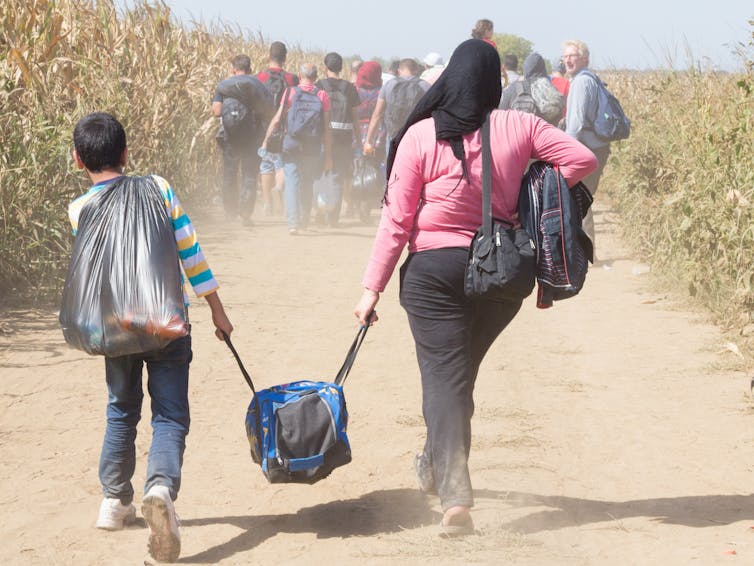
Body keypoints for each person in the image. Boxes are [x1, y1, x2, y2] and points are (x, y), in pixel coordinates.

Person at [352, 39, 596, 536]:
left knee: (445, 378)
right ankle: (434, 463)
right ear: (494, 83)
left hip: (432, 273)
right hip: (501, 270)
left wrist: (370, 289)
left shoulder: (421, 134)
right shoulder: (520, 126)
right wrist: (533, 187)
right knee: (459, 375)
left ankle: (454, 498)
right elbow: (582, 160)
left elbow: (397, 220)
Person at [68, 112, 234, 562]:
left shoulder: (80, 209)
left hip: (114, 327)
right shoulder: (158, 188)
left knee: (121, 409)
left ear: (78, 160)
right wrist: (217, 311)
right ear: (126, 153)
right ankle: (160, 486)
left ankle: (113, 500)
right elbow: (190, 251)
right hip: (165, 323)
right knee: (171, 415)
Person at [262, 63, 333, 234]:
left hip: (291, 143)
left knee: (292, 180)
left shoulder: (290, 92)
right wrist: (329, 155)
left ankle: (293, 223)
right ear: (316, 78)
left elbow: (278, 119)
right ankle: (305, 219)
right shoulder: (322, 95)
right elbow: (326, 128)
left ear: (300, 77)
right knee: (308, 181)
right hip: (312, 145)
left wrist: (265, 141)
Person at [211, 55, 273, 225]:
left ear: (234, 69)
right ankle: (245, 214)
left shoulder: (224, 86)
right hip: (251, 137)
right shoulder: (257, 85)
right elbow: (268, 110)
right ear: (250, 69)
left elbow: (216, 111)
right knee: (249, 174)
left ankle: (230, 212)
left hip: (230, 136)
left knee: (229, 174)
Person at [562, 39, 610, 256]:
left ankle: (585, 251)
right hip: (597, 146)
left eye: (573, 55)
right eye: (565, 56)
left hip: (586, 148)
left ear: (585, 59)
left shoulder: (581, 82)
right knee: (583, 197)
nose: (568, 60)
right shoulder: (590, 79)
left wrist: (563, 152)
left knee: (580, 197)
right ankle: (585, 249)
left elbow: (576, 124)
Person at [316, 52, 361, 226]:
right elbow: (355, 117)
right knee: (338, 176)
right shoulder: (350, 88)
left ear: (325, 68)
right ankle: (333, 217)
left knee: (320, 175)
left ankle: (319, 213)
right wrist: (359, 140)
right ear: (341, 68)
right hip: (344, 137)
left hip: (322, 137)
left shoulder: (319, 85)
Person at [256, 42, 300, 216]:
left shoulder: (259, 77)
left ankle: (267, 203)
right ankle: (279, 187)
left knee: (265, 163)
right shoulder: (292, 79)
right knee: (281, 162)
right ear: (285, 57)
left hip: (263, 127)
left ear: (269, 56)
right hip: (284, 126)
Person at [363, 58, 430, 158]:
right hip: (417, 138)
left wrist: (368, 141)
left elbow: (377, 114)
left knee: (392, 168)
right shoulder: (425, 86)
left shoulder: (389, 85)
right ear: (416, 71)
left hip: (393, 136)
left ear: (399, 71)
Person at [353, 61, 385, 222]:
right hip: (376, 136)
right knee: (371, 172)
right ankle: (367, 206)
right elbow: (381, 116)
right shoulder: (381, 92)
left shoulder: (354, 91)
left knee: (357, 171)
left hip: (356, 136)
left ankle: (356, 204)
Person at [499, 52, 565, 126]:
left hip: (519, 133)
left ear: (525, 67)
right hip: (544, 134)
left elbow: (500, 115)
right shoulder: (552, 89)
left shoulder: (514, 88)